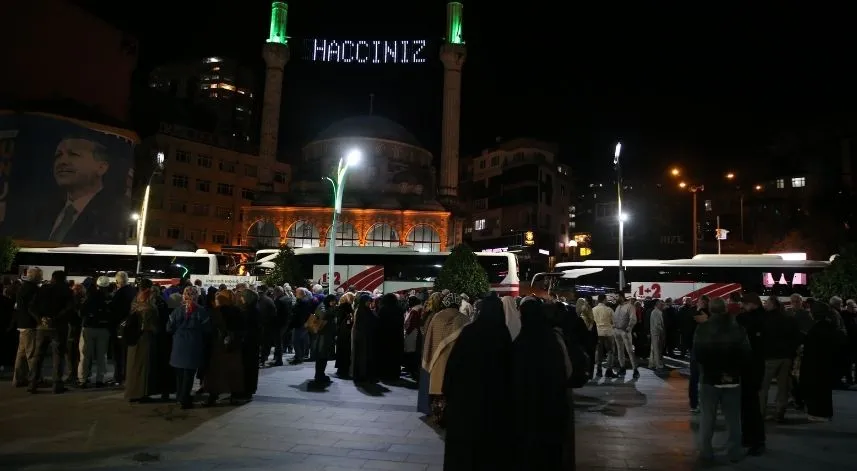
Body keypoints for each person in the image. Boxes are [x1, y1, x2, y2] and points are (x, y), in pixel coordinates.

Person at [443, 296, 513, 471]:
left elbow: (454, 364)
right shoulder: (502, 334)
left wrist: (448, 391)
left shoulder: (469, 332)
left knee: (464, 450)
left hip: (465, 401)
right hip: (493, 403)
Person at [510, 297, 569, 470]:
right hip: (551, 411)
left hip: (526, 414)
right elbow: (567, 371)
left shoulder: (519, 345)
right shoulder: (553, 341)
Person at [693, 297, 751, 463]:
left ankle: (706, 451)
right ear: (726, 309)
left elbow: (698, 355)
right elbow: (746, 354)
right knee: (733, 418)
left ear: (710, 310)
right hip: (732, 378)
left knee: (707, 417)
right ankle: (733, 452)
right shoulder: (737, 328)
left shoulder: (702, 329)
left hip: (709, 379)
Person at [38, 136, 126, 243]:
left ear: (101, 167)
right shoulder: (43, 213)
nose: (62, 161)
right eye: (58, 155)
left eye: (73, 154)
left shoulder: (117, 216)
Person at [421, 292, 468, 426]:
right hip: (456, 361)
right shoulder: (464, 319)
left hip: (438, 361)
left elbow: (429, 338)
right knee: (452, 391)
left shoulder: (436, 317)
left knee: (438, 390)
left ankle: (438, 416)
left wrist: (427, 356)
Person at [167, 286, 211, 409]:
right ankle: (185, 399)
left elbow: (169, 328)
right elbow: (207, 329)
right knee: (189, 374)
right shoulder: (201, 311)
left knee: (179, 374)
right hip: (193, 345)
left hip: (179, 345)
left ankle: (180, 397)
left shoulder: (176, 311)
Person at [800, 302, 845, 421]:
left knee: (817, 390)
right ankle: (824, 413)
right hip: (825, 364)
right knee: (824, 390)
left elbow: (813, 348)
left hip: (817, 364)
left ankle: (818, 413)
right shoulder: (828, 326)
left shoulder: (818, 329)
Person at [737, 293, 767, 456]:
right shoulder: (765, 319)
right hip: (756, 367)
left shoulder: (747, 320)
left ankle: (754, 439)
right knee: (751, 404)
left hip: (749, 367)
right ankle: (751, 437)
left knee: (750, 405)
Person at [204, 290, 245, 405]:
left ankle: (213, 396)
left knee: (216, 372)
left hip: (218, 346)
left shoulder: (217, 311)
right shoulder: (238, 311)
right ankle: (234, 395)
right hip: (234, 346)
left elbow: (211, 328)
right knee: (234, 371)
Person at [125, 279, 161, 402]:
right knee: (143, 365)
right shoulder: (149, 302)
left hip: (133, 336)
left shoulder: (135, 300)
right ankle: (142, 393)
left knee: (133, 365)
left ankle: (132, 392)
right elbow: (152, 320)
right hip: (144, 336)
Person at [376, 293, 405, 381]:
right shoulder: (400, 309)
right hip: (397, 336)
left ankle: (384, 373)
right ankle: (395, 373)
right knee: (395, 355)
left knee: (385, 354)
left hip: (385, 336)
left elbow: (379, 322)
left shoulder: (383, 309)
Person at [310, 294, 337, 387]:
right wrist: (330, 313)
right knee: (321, 356)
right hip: (322, 337)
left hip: (326, 336)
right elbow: (322, 316)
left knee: (324, 357)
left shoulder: (326, 307)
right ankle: (318, 375)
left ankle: (321, 374)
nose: (334, 303)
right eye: (333, 301)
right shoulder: (323, 307)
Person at [351, 294, 378, 383]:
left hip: (363, 336)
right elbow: (367, 322)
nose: (369, 303)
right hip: (362, 337)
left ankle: (362, 374)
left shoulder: (363, 309)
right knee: (362, 355)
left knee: (363, 355)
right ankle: (361, 374)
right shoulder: (362, 311)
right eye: (368, 301)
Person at [334, 293, 355, 378]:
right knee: (346, 351)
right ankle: (344, 369)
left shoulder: (341, 308)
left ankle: (341, 369)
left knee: (341, 351)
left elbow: (338, 321)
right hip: (346, 333)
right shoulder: (348, 308)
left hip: (341, 333)